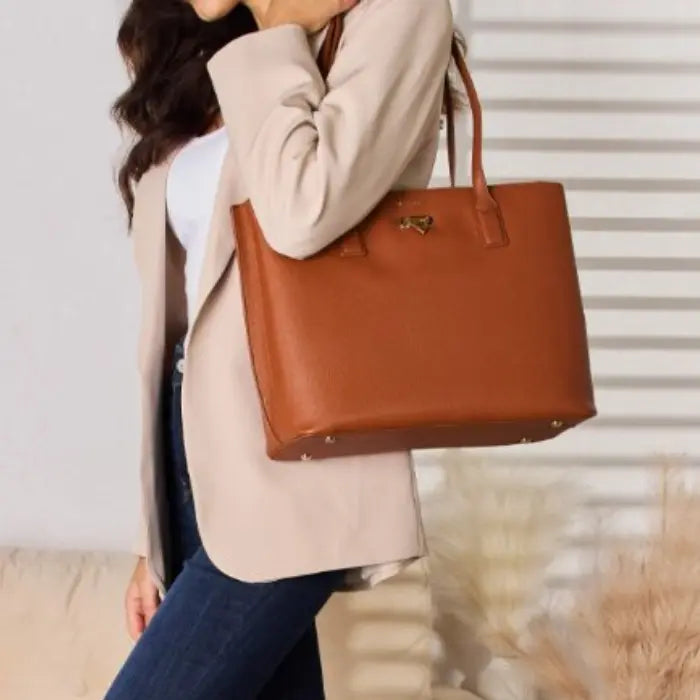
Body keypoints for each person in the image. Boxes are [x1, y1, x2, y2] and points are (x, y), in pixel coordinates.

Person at [105, 0, 462, 697]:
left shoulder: (396, 14)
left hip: (296, 454)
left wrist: (279, 32)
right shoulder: (207, 42)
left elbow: (304, 210)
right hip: (197, 459)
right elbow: (189, 310)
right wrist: (156, 530)